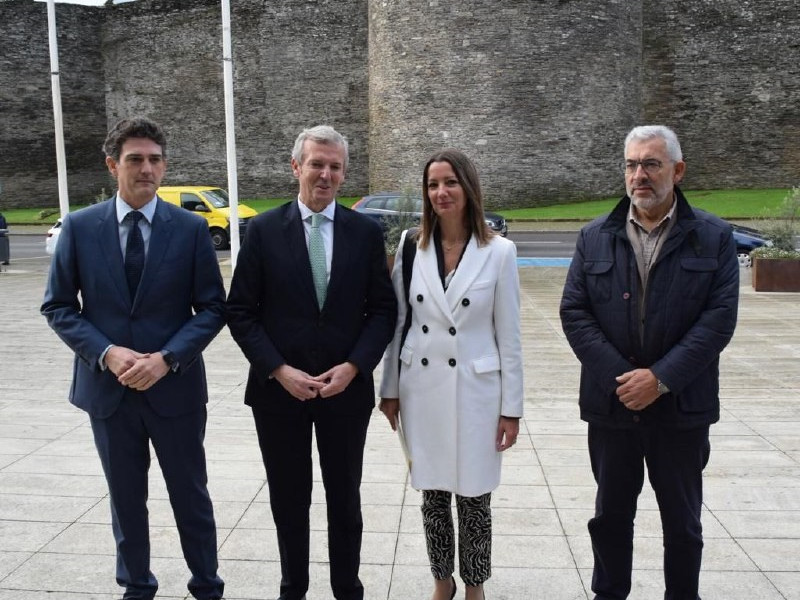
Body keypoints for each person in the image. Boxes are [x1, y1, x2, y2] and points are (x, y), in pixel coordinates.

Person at [41, 117, 226, 600]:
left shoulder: (189, 229)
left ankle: (207, 585)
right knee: (126, 500)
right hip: (109, 392)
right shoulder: (80, 228)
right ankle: (137, 587)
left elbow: (212, 308)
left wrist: (167, 358)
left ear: (164, 166)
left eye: (155, 160)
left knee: (191, 496)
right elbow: (58, 306)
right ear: (112, 165)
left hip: (176, 390)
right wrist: (106, 352)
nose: (147, 169)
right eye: (135, 159)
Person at [559, 125, 739, 600]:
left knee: (683, 523)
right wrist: (624, 379)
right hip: (613, 407)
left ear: (677, 171)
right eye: (631, 164)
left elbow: (718, 322)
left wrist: (659, 379)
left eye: (651, 164)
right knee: (610, 519)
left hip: (681, 409)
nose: (639, 175)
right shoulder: (594, 236)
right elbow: (574, 313)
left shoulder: (714, 239)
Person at [225, 125, 397, 600]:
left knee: (345, 499)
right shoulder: (261, 230)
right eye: (317, 164)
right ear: (297, 167)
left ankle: (347, 587)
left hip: (345, 390)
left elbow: (383, 310)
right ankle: (292, 588)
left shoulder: (364, 232)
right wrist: (278, 370)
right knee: (289, 498)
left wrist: (356, 366)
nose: (325, 174)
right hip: (279, 393)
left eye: (335, 167)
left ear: (344, 174)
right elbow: (240, 311)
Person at [379, 149, 523, 600]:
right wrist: (389, 390)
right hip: (421, 389)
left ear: (468, 187)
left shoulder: (499, 252)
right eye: (433, 184)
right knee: (434, 495)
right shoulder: (410, 245)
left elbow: (510, 337)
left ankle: (474, 586)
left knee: (475, 497)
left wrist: (511, 410)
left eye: (450, 183)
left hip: (478, 391)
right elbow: (398, 323)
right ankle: (442, 583)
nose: (441, 192)